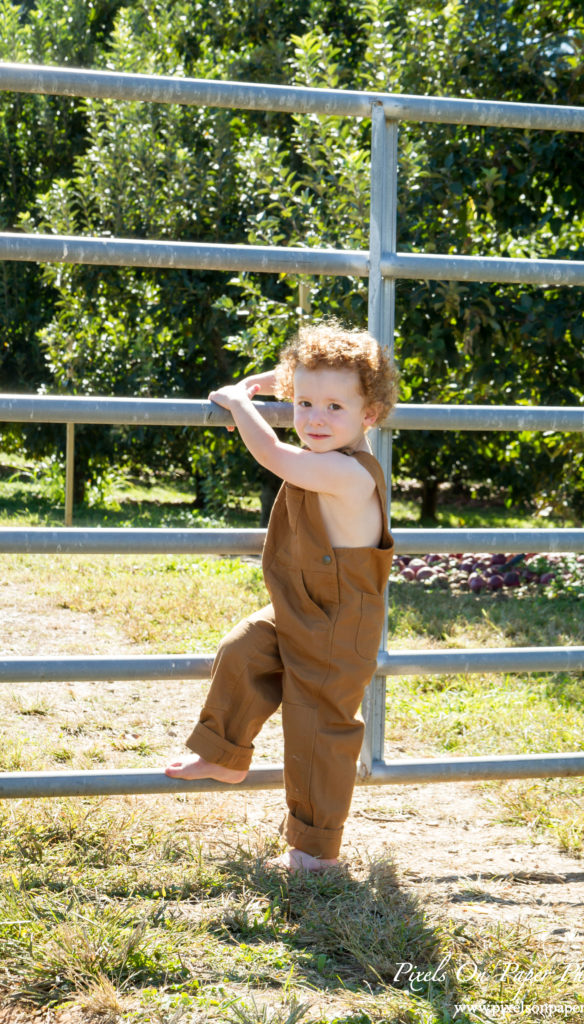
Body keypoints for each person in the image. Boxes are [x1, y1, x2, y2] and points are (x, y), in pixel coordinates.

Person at [165, 321, 399, 872]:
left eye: (335, 409)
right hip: (301, 606)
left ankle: (316, 853)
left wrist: (238, 401)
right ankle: (224, 755)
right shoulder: (331, 442)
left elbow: (274, 455)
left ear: (369, 416)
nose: (316, 419)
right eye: (305, 403)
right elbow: (313, 395)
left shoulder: (348, 474)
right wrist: (278, 380)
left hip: (341, 622)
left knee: (319, 730)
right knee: (244, 648)